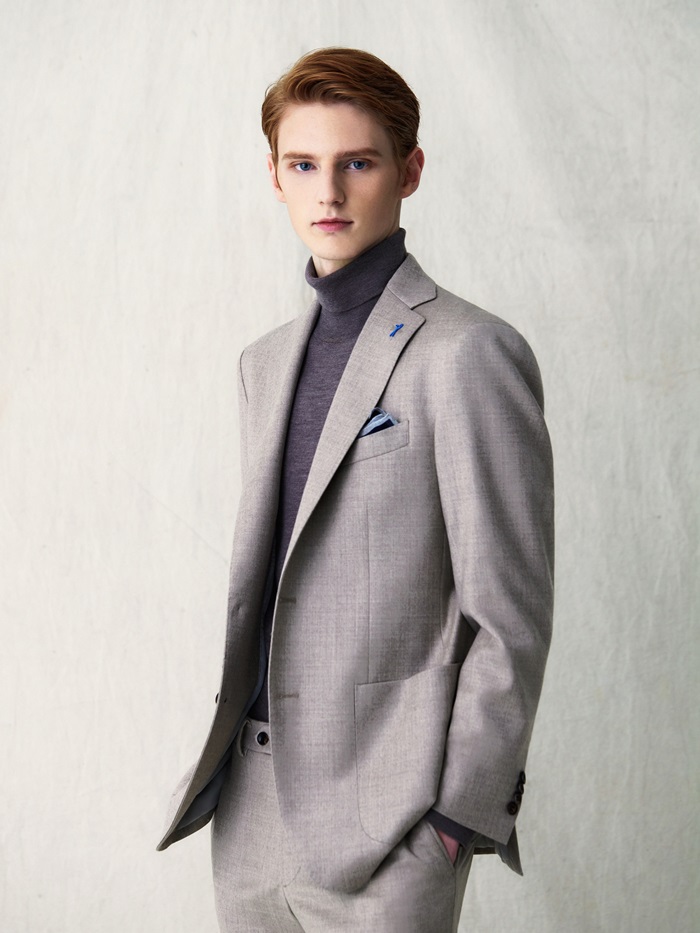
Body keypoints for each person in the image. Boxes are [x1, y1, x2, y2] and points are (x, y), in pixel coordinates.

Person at [158, 47, 554, 932]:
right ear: (274, 177)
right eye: (304, 165)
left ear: (409, 172)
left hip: (391, 823)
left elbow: (510, 617)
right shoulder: (264, 363)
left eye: (358, 163)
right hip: (249, 809)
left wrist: (455, 819)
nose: (328, 192)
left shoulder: (468, 353)